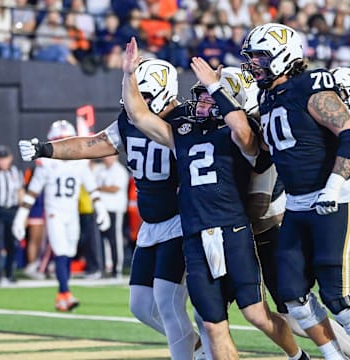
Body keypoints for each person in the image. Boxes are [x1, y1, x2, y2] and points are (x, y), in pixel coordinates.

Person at [121, 37, 309, 360]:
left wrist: (217, 87)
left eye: (211, 96)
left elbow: (245, 135)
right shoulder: (184, 132)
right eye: (203, 96)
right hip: (195, 236)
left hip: (232, 232)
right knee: (211, 325)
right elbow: (140, 116)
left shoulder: (243, 132)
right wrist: (128, 76)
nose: (204, 101)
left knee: (256, 315)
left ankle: (297, 356)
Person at [16, 63, 205, 359]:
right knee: (141, 306)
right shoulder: (129, 121)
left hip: (182, 219)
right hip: (152, 223)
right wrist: (45, 149)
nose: (135, 103)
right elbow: (92, 144)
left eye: (142, 95)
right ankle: (198, 345)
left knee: (168, 301)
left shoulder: (185, 120)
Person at [223, 65, 350, 356]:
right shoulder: (269, 97)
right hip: (297, 203)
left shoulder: (311, 85)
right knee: (293, 296)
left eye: (260, 56)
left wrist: (333, 185)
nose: (255, 63)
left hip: (333, 198)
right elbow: (268, 144)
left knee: (337, 297)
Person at [12, 120, 110, 311]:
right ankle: (64, 292)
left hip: (72, 213)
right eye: (60, 140)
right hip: (55, 212)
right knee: (61, 251)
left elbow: (91, 188)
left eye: (67, 140)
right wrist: (21, 215)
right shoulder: (46, 165)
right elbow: (32, 192)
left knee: (69, 252)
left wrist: (101, 208)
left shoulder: (80, 164)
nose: (64, 144)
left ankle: (62, 294)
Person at [0, 145, 23, 285]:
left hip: (13, 211)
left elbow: (20, 192)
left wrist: (23, 214)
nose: (3, 162)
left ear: (10, 158)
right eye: (0, 158)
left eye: (5, 158)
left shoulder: (15, 172)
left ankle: (9, 273)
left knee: (12, 243)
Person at [96, 155, 129, 279]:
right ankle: (104, 267)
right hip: (103, 210)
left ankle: (117, 268)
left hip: (115, 209)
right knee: (102, 240)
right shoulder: (101, 170)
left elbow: (115, 188)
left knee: (115, 240)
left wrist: (98, 188)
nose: (106, 159)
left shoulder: (119, 171)